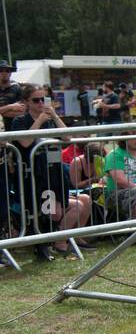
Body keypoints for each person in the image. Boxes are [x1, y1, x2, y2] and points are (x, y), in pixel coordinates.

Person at [8, 85, 92, 258]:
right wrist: (39, 120)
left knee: (75, 205)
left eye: (43, 99)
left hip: (54, 173)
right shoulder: (20, 121)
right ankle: (52, 242)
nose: (40, 103)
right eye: (36, 100)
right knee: (55, 212)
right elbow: (24, 143)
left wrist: (54, 115)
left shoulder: (50, 118)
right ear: (26, 102)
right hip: (33, 176)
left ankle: (60, 241)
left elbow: (68, 138)